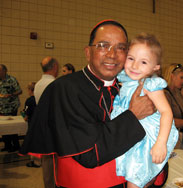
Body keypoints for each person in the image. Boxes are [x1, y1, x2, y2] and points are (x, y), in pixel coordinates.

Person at [19, 20, 166, 188]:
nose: (112, 54)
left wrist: (153, 172)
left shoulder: (128, 87)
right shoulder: (64, 88)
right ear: (88, 52)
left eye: (121, 48)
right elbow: (89, 154)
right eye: (103, 45)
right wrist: (133, 115)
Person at [111, 33, 178, 188]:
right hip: (130, 136)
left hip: (146, 141)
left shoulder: (150, 85)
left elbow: (167, 113)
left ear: (155, 67)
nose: (134, 66)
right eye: (131, 58)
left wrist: (161, 143)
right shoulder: (124, 81)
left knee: (135, 181)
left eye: (143, 62)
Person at [33, 56, 59, 188]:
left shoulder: (38, 84)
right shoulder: (54, 84)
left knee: (46, 161)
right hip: (53, 128)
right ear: (55, 67)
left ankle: (49, 184)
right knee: (52, 162)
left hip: (42, 127)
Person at [164, 64, 183, 150]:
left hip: (179, 134)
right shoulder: (164, 94)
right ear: (172, 76)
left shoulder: (178, 92)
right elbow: (167, 121)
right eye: (181, 78)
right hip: (169, 137)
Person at [0, 64, 22, 152]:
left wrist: (11, 95)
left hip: (12, 107)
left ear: (5, 71)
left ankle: (16, 145)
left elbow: (19, 91)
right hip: (2, 108)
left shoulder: (12, 80)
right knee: (3, 128)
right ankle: (7, 145)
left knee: (12, 127)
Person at [21, 82, 40, 168]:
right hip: (39, 123)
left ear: (30, 90)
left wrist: (23, 114)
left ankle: (35, 162)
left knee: (32, 143)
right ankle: (39, 160)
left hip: (32, 124)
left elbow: (26, 116)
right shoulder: (39, 98)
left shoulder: (29, 101)